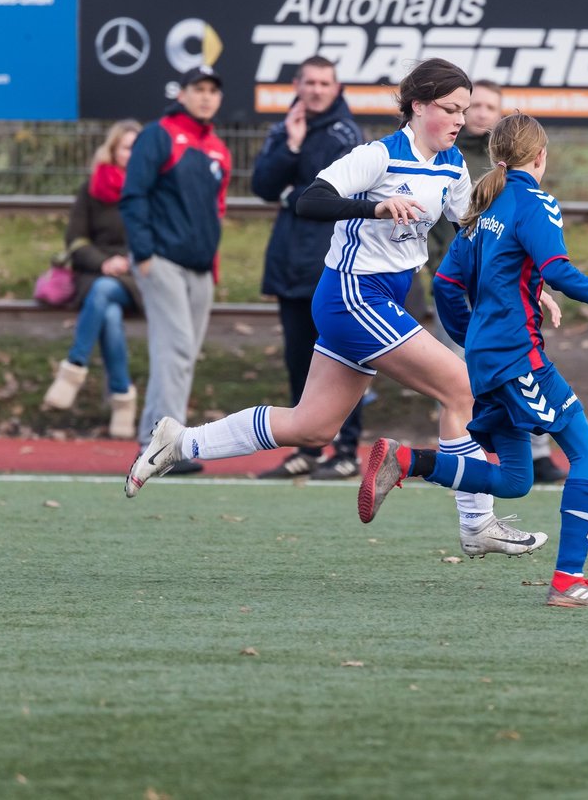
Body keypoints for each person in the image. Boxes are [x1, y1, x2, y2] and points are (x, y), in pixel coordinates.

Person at [125, 58, 546, 561]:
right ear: (417, 106)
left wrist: (526, 283)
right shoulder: (377, 156)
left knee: (313, 426)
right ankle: (478, 524)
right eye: (450, 109)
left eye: (464, 110)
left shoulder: (452, 167)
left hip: (381, 300)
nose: (460, 119)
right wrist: (375, 206)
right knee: (461, 387)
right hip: (352, 295)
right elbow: (311, 200)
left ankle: (179, 443)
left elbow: (473, 236)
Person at [357, 112, 588, 609]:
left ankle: (409, 461)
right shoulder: (535, 203)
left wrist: (472, 339)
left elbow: (445, 284)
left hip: (489, 360)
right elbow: (558, 270)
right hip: (517, 359)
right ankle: (569, 580)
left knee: (514, 479)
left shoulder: (482, 208)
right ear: (541, 156)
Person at [407, 79, 568, 485]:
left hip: (503, 290)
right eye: (471, 106)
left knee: (520, 366)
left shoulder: (511, 166)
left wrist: (538, 284)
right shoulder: (447, 157)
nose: (478, 113)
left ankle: (536, 451)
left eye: (488, 107)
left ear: (501, 115)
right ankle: (464, 462)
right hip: (456, 282)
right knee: (464, 378)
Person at [252, 56, 367, 481]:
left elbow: (327, 197)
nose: (317, 89)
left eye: (325, 82)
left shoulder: (346, 134)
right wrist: (292, 146)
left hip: (332, 264)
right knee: (298, 360)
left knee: (343, 358)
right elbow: (263, 185)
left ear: (337, 88)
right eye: (309, 82)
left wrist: (293, 194)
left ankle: (347, 449)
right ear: (297, 84)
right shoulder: (285, 128)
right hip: (289, 263)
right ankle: (306, 448)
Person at [120, 65, 231, 475]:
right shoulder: (159, 134)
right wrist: (143, 253)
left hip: (200, 268)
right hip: (162, 259)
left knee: (182, 353)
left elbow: (217, 211)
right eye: (197, 89)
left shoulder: (218, 147)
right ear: (181, 94)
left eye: (212, 90)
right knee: (177, 349)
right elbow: (133, 195)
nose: (205, 96)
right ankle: (162, 446)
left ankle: (156, 442)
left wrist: (214, 267)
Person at [42, 119, 144, 439]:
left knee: (105, 295)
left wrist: (126, 262)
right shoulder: (92, 188)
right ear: (112, 151)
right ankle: (122, 399)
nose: (133, 154)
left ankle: (72, 370)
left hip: (137, 277)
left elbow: (158, 237)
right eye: (127, 147)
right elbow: (75, 240)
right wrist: (103, 263)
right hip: (96, 273)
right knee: (108, 310)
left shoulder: (152, 188)